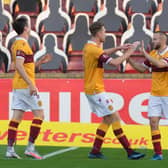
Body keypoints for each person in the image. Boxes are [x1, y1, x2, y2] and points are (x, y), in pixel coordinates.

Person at [83, 21, 145, 160]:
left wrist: (119, 47)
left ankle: (95, 151)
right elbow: (115, 63)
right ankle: (129, 151)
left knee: (107, 119)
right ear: (98, 33)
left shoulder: (89, 47)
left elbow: (102, 53)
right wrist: (130, 51)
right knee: (115, 117)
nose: (105, 34)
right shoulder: (94, 49)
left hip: (92, 88)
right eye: (104, 31)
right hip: (95, 89)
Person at [6, 16, 44, 159]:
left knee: (17, 117)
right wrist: (30, 84)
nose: (30, 26)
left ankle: (10, 149)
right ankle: (30, 148)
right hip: (25, 86)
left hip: (17, 85)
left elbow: (21, 65)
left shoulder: (16, 44)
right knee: (40, 115)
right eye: (29, 24)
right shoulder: (22, 45)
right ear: (26, 28)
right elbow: (20, 66)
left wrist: (39, 63)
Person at [128, 31, 168, 160]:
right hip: (155, 94)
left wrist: (145, 53)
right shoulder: (153, 54)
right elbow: (141, 69)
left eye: (155, 39)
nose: (153, 41)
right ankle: (158, 153)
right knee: (153, 122)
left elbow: (160, 64)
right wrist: (128, 58)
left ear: (163, 40)